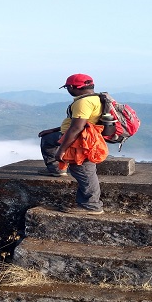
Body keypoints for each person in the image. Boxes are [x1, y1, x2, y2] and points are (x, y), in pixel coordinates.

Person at [37, 73, 106, 214]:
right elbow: (76, 122)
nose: (68, 90)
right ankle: (57, 170)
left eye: (68, 87)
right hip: (74, 135)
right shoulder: (94, 98)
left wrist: (62, 149)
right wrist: (54, 130)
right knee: (48, 139)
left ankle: (92, 205)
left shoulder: (83, 102)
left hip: (81, 141)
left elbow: (77, 127)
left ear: (75, 87)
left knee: (83, 170)